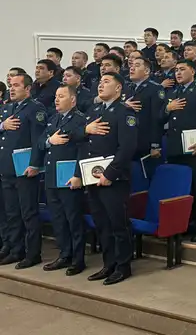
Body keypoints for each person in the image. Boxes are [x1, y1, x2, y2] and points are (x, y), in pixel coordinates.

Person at [75, 72, 137, 285]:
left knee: (118, 224)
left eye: (107, 82)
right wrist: (86, 130)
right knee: (102, 224)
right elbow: (82, 142)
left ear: (118, 88)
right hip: (92, 177)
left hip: (113, 179)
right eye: (100, 82)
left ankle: (123, 266)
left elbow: (127, 148)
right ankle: (108, 264)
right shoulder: (94, 111)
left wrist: (110, 174)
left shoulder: (125, 112)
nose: (101, 85)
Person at [161, 59, 196, 243]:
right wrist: (167, 109)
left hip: (195, 149)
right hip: (175, 148)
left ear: (192, 71)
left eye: (182, 69)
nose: (177, 73)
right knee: (179, 189)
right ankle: (184, 224)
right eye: (176, 70)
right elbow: (158, 118)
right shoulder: (172, 93)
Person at [36, 84, 87, 275]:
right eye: (56, 96)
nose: (56, 99)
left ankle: (78, 259)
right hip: (51, 176)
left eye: (61, 96)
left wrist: (78, 175)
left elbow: (83, 150)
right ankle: (65, 254)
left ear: (72, 100)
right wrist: (50, 141)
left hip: (68, 176)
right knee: (58, 219)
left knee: (73, 219)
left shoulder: (80, 120)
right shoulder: (53, 119)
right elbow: (40, 142)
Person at [0, 74, 47, 268]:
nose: (11, 89)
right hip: (7, 168)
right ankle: (15, 250)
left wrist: (35, 164)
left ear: (27, 89)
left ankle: (33, 253)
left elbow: (38, 139)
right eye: (10, 85)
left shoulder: (35, 108)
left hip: (25, 168)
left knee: (28, 213)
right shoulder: (8, 108)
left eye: (16, 85)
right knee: (12, 213)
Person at [124, 57, 165, 162]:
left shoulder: (155, 88)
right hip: (127, 141)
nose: (132, 68)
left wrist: (155, 144)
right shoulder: (126, 88)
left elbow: (156, 118)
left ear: (146, 71)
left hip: (144, 142)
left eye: (137, 65)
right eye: (131, 65)